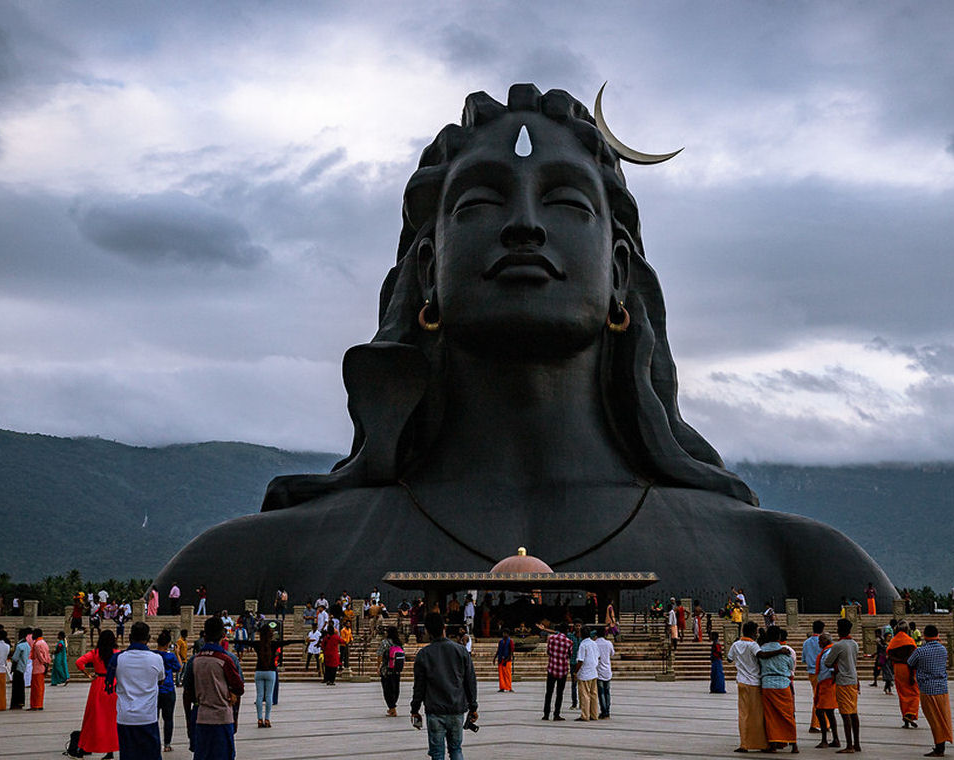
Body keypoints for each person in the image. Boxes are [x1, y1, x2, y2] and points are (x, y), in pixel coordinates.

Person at [153, 84, 897, 612]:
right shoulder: (248, 564)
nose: (525, 226)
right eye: (480, 202)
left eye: (566, 201)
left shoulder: (801, 564)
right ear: (426, 271)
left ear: (621, 273)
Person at [410, 612, 478, 760]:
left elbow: (419, 687)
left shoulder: (423, 655)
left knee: (437, 754)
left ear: (427, 632)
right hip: (456, 710)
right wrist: (473, 706)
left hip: (434, 711)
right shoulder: (461, 651)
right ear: (444, 628)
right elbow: (470, 681)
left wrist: (415, 709)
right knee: (456, 749)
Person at [184, 616, 245, 760]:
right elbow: (239, 688)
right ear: (223, 635)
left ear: (204, 635)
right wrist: (235, 715)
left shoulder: (194, 660)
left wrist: (189, 721)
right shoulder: (226, 659)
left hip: (202, 718)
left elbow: (188, 693)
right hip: (222, 719)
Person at [105, 622, 165, 760]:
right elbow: (160, 680)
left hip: (125, 718)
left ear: (130, 637)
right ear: (148, 638)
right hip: (147, 717)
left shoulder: (118, 659)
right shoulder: (156, 659)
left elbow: (111, 680)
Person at [240, 621, 297, 727]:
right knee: (269, 696)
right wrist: (304, 641)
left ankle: (259, 719)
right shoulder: (274, 644)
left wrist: (227, 640)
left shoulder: (257, 644)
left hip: (259, 671)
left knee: (259, 696)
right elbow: (288, 642)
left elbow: (243, 642)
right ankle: (267, 719)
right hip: (271, 672)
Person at [73, 629, 120, 760]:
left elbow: (79, 662)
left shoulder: (95, 653)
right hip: (112, 686)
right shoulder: (117, 653)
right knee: (111, 720)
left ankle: (82, 751)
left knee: (92, 719)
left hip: (98, 685)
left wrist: (88, 674)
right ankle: (110, 753)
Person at [907, 624, 952, 757]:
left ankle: (939, 747)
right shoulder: (943, 649)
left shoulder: (920, 651)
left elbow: (910, 663)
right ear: (937, 635)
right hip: (942, 688)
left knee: (934, 719)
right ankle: (942, 744)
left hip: (927, 689)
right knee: (943, 717)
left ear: (925, 636)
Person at [755, 626, 798, 753]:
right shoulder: (786, 651)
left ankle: (773, 744)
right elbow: (791, 666)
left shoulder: (762, 650)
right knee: (788, 714)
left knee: (771, 716)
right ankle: (793, 743)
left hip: (767, 684)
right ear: (779, 636)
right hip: (783, 684)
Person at [727, 620, 767, 752]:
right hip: (754, 682)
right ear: (752, 632)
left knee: (743, 714)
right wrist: (779, 651)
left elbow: (729, 659)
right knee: (757, 714)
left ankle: (744, 743)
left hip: (742, 682)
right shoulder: (753, 645)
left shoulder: (736, 644)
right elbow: (761, 655)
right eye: (755, 632)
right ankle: (760, 743)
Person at [823, 617, 861, 753]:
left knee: (845, 714)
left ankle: (849, 745)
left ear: (839, 630)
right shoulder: (854, 644)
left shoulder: (838, 646)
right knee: (854, 712)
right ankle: (857, 743)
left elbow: (827, 662)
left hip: (843, 681)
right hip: (853, 680)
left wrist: (836, 665)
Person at [887, 621, 919, 728]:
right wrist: (911, 675)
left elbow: (889, 654)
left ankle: (905, 719)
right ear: (906, 629)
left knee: (902, 694)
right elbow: (912, 658)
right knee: (914, 693)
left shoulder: (894, 641)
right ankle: (910, 713)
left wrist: (899, 660)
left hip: (898, 668)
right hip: (908, 667)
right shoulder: (909, 640)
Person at [812, 633, 841, 748]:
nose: (819, 643)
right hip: (824, 682)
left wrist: (833, 677)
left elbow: (834, 667)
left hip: (828, 683)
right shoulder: (826, 651)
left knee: (820, 711)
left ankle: (825, 740)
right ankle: (835, 739)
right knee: (829, 712)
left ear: (826, 640)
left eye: (820, 641)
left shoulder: (829, 652)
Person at [542, 622, 571, 720]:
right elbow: (569, 655)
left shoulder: (551, 639)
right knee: (559, 693)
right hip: (562, 670)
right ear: (567, 630)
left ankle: (546, 714)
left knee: (549, 692)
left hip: (552, 668)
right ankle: (556, 714)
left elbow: (548, 652)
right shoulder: (569, 642)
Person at [801, 620, 825, 732]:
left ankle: (824, 723)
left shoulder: (806, 642)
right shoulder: (823, 641)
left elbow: (804, 659)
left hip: (811, 672)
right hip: (822, 673)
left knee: (820, 697)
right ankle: (815, 724)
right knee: (820, 698)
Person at [377, 626, 406, 716]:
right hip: (396, 669)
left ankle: (392, 708)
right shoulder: (399, 643)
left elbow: (379, 655)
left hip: (387, 669)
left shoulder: (385, 642)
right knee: (395, 688)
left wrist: (378, 666)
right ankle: (392, 707)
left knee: (387, 689)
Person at [574, 625, 600, 721]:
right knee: (593, 694)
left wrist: (575, 672)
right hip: (593, 672)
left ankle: (585, 715)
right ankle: (594, 714)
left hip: (585, 673)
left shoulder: (583, 645)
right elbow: (598, 656)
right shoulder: (594, 643)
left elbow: (580, 660)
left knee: (585, 695)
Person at [595, 624, 615, 719]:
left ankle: (603, 711)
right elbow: (612, 653)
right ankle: (607, 710)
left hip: (598, 670)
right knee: (607, 692)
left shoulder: (595, 643)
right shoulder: (608, 643)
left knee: (601, 692)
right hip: (607, 670)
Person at [29, 627, 50, 709]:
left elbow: (40, 656)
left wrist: (44, 662)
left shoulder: (37, 644)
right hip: (42, 666)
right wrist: (47, 664)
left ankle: (36, 704)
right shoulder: (44, 642)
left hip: (38, 666)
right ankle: (39, 704)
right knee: (40, 687)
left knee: (36, 687)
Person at [10, 627, 30, 710]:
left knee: (16, 687)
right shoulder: (27, 645)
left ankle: (15, 703)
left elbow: (15, 658)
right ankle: (21, 702)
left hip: (18, 668)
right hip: (23, 667)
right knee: (21, 686)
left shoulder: (20, 646)